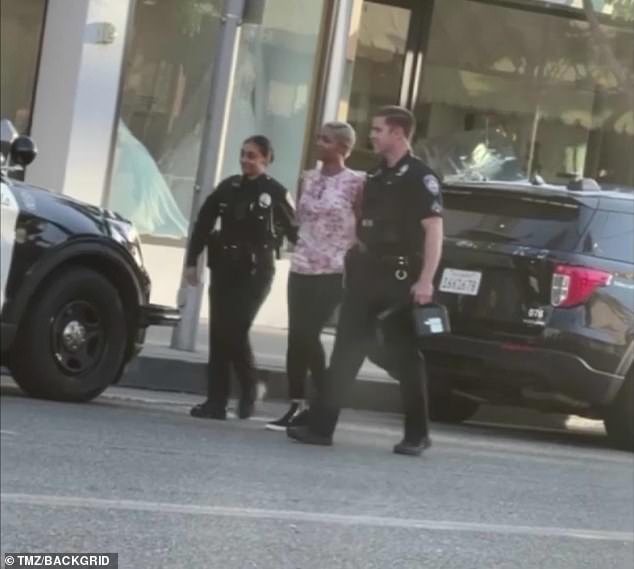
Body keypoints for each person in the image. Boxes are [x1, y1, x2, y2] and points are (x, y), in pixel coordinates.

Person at [288, 106, 444, 456]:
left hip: (400, 276)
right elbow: (362, 220)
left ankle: (417, 434)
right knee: (346, 350)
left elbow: (433, 230)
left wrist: (426, 281)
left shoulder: (420, 177)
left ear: (399, 133)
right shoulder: (373, 175)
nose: (371, 135)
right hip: (366, 273)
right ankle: (321, 426)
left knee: (405, 356)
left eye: (378, 130)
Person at [185, 135, 297, 420]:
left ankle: (249, 388)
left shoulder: (274, 193)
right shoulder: (229, 187)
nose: (246, 160)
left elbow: (297, 232)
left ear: (266, 159)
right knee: (219, 333)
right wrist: (191, 261)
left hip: (255, 272)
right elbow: (204, 222)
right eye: (243, 154)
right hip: (224, 267)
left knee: (234, 330)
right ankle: (216, 401)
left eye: (252, 156)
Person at [266, 122, 363, 431]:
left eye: (327, 140)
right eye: (319, 138)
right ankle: (296, 404)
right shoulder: (308, 178)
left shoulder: (356, 182)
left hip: (333, 268)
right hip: (302, 265)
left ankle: (323, 399)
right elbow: (298, 219)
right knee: (297, 337)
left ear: (343, 147)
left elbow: (362, 224)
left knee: (309, 333)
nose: (319, 144)